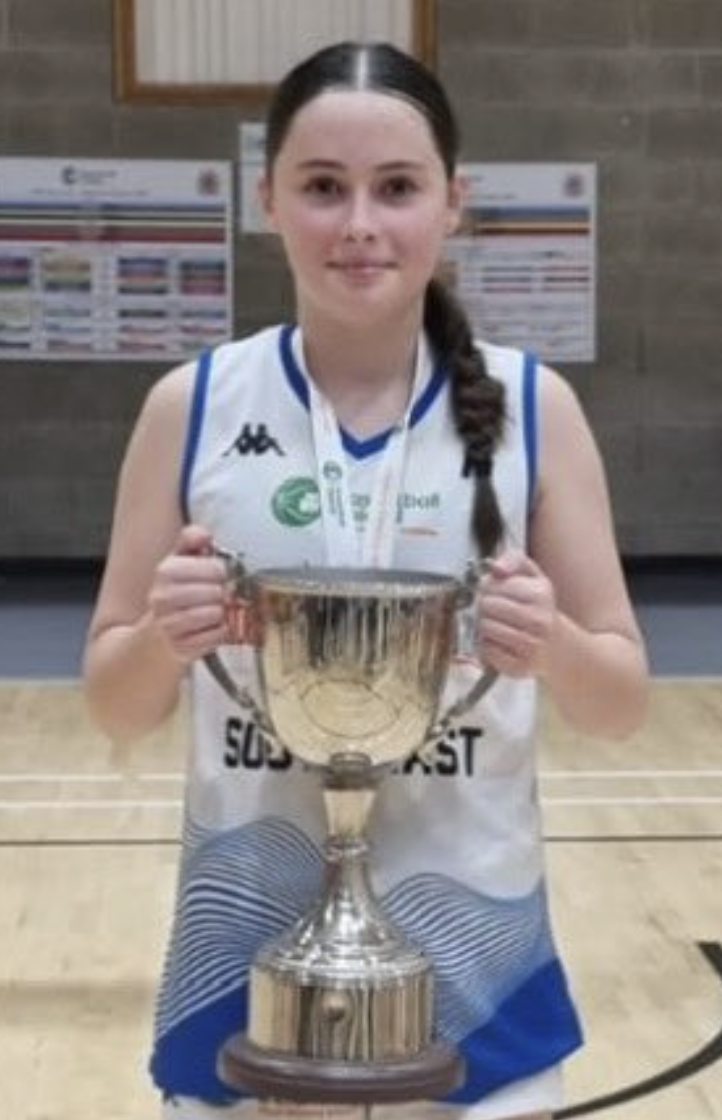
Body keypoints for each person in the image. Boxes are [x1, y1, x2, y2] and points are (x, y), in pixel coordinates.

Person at [83, 39, 648, 1120]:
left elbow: (619, 701)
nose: (358, 224)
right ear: (267, 200)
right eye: (321, 187)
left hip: (476, 973)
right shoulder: (191, 406)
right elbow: (113, 701)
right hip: (242, 970)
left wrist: (555, 646)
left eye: (395, 188)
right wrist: (162, 634)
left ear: (452, 203)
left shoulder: (535, 409)